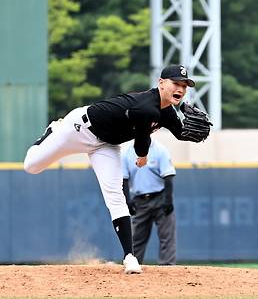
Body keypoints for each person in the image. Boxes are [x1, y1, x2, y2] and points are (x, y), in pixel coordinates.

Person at [24, 64, 211, 274]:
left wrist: (195, 132)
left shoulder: (167, 112)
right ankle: (52, 130)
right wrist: (142, 156)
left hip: (106, 144)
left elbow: (180, 132)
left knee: (115, 196)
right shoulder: (146, 107)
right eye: (176, 83)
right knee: (31, 166)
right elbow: (142, 142)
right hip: (79, 129)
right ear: (161, 83)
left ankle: (129, 257)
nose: (181, 89)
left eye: (185, 85)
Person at [122, 139, 177, 266]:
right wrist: (128, 201)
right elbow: (124, 178)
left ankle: (167, 267)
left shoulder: (160, 150)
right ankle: (134, 265)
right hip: (139, 200)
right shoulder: (126, 152)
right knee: (135, 239)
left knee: (167, 237)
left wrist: (168, 200)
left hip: (160, 197)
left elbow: (168, 176)